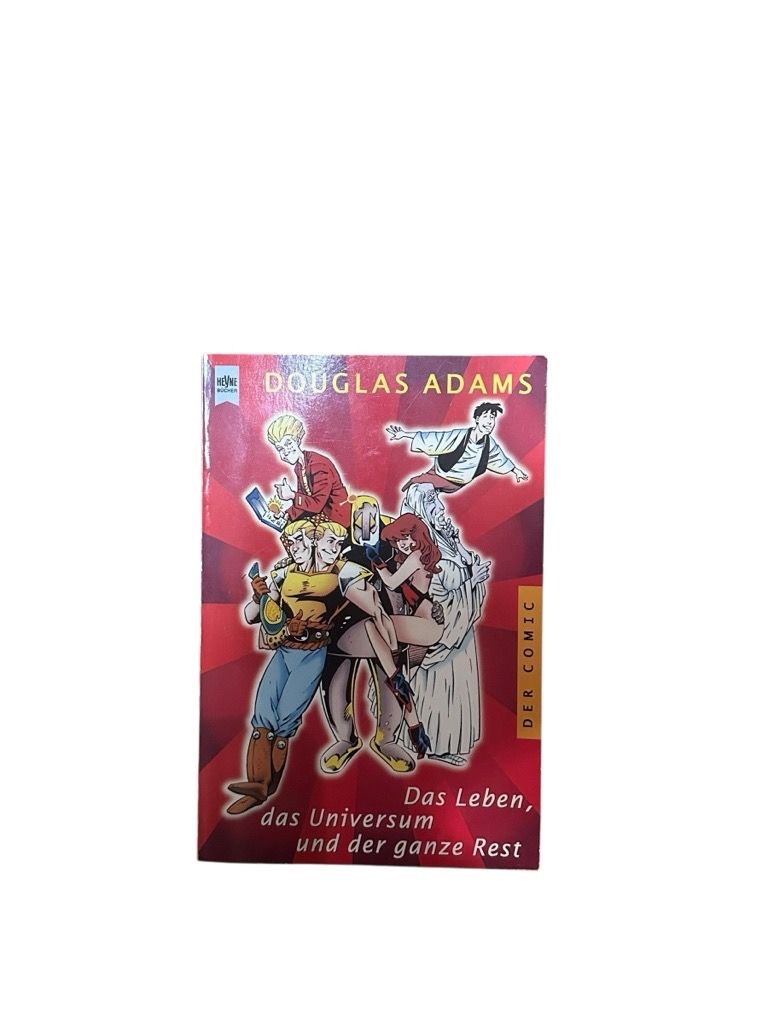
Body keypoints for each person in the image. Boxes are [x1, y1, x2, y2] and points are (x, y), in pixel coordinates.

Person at [227, 518, 392, 814]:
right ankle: (256, 784)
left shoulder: (343, 571)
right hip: (284, 649)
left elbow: (373, 605)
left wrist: (384, 630)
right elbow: (251, 615)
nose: (301, 547)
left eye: (329, 542)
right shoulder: (283, 573)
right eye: (295, 542)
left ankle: (265, 788)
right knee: (263, 712)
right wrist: (259, 595)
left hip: (313, 651)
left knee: (286, 716)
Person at [399, 483, 490, 765]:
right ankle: (431, 745)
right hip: (438, 627)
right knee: (435, 686)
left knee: (454, 685)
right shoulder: (420, 547)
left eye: (436, 500)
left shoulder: (448, 538)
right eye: (431, 502)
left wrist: (472, 578)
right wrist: (470, 583)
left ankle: (446, 745)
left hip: (460, 631)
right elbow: (429, 593)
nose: (439, 507)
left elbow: (465, 570)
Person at [386, 402, 528, 494]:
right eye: (486, 416)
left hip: (458, 484)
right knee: (417, 489)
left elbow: (501, 460)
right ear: (477, 419)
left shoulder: (489, 444)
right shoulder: (460, 435)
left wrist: (517, 471)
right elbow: (435, 438)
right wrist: (404, 434)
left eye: (492, 417)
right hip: (440, 475)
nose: (490, 421)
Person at [267, 413, 349, 525]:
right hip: (320, 516)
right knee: (290, 530)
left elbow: (317, 504)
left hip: (336, 518)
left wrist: (291, 495)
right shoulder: (299, 467)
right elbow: (304, 500)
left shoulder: (318, 465)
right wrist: (286, 514)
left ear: (297, 440)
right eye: (280, 448)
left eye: (288, 443)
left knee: (295, 532)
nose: (285, 451)